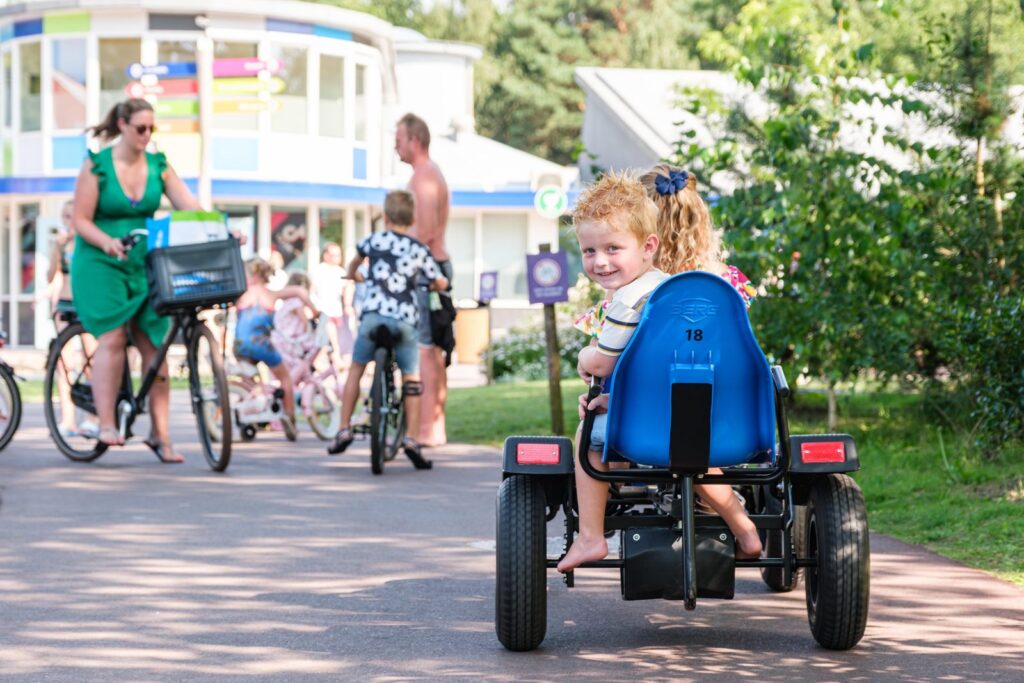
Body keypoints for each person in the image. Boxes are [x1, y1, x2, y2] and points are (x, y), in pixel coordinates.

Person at [557, 166, 763, 572]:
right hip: (720, 417)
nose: (600, 262)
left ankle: (591, 537)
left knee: (590, 435)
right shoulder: (690, 291)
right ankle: (745, 529)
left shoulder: (627, 301)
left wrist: (585, 359)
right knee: (693, 451)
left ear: (649, 243)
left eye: (611, 249)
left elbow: (604, 361)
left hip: (644, 421)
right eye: (590, 252)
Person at [70, 98, 202, 462]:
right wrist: (107, 243)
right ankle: (107, 423)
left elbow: (188, 205)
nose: (147, 135)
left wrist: (217, 226)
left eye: (152, 129)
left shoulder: (159, 166)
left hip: (144, 261)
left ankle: (161, 435)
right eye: (141, 128)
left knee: (155, 347)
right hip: (100, 259)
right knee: (113, 337)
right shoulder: (96, 165)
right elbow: (80, 219)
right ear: (123, 125)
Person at [327, 190, 447, 468]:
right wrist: (428, 284)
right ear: (411, 217)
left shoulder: (373, 240)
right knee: (411, 378)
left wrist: (355, 275)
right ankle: (412, 440)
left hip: (373, 317)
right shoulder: (418, 248)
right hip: (405, 319)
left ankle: (343, 428)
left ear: (387, 215)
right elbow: (439, 281)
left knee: (357, 368)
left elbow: (354, 264)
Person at [394, 113, 454, 447]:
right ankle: (434, 428)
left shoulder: (424, 178)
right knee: (431, 350)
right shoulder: (427, 175)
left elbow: (426, 233)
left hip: (426, 272)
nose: (395, 145)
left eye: (398, 138)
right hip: (434, 268)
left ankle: (428, 430)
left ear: (414, 140)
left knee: (425, 348)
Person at [234, 258, 318, 441]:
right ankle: (289, 417)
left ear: (253, 275)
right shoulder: (270, 294)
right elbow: (299, 291)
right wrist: (315, 310)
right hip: (260, 344)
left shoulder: (242, 293)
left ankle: (247, 406)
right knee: (285, 378)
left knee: (250, 381)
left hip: (239, 345)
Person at [48, 200, 98, 438]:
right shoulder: (60, 245)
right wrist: (56, 250)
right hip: (65, 303)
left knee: (92, 360)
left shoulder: (87, 243)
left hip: (86, 303)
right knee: (63, 363)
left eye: (72, 216)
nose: (69, 221)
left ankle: (92, 417)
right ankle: (67, 420)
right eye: (65, 216)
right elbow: (51, 277)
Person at [312, 242, 355, 369]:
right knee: (328, 333)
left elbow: (348, 287)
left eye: (338, 255)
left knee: (330, 337)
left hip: (335, 310)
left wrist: (347, 305)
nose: (336, 258)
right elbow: (312, 291)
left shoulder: (340, 272)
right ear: (326, 255)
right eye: (333, 255)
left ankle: (328, 360)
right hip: (322, 309)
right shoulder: (319, 270)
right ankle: (335, 357)